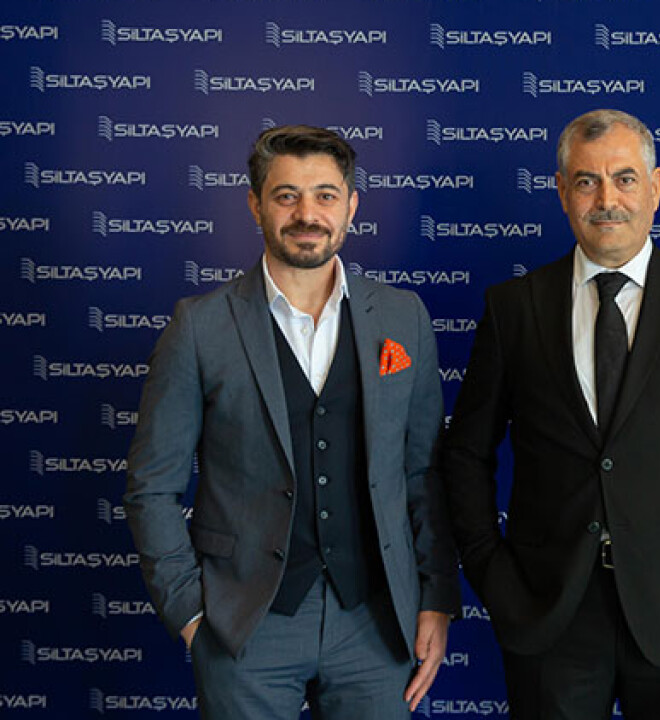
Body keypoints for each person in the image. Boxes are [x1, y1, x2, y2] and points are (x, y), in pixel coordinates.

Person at [443, 109, 660, 719]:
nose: (607, 201)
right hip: (549, 614)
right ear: (561, 192)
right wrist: (493, 575)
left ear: (655, 187)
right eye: (586, 181)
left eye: (624, 179)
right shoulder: (513, 308)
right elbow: (465, 454)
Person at [123, 125, 458, 719]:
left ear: (351, 206)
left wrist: (434, 599)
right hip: (245, 622)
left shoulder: (403, 317)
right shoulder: (199, 326)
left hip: (375, 622)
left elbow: (423, 473)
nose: (308, 214)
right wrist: (190, 612)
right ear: (256, 205)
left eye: (326, 195)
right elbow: (152, 485)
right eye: (286, 196)